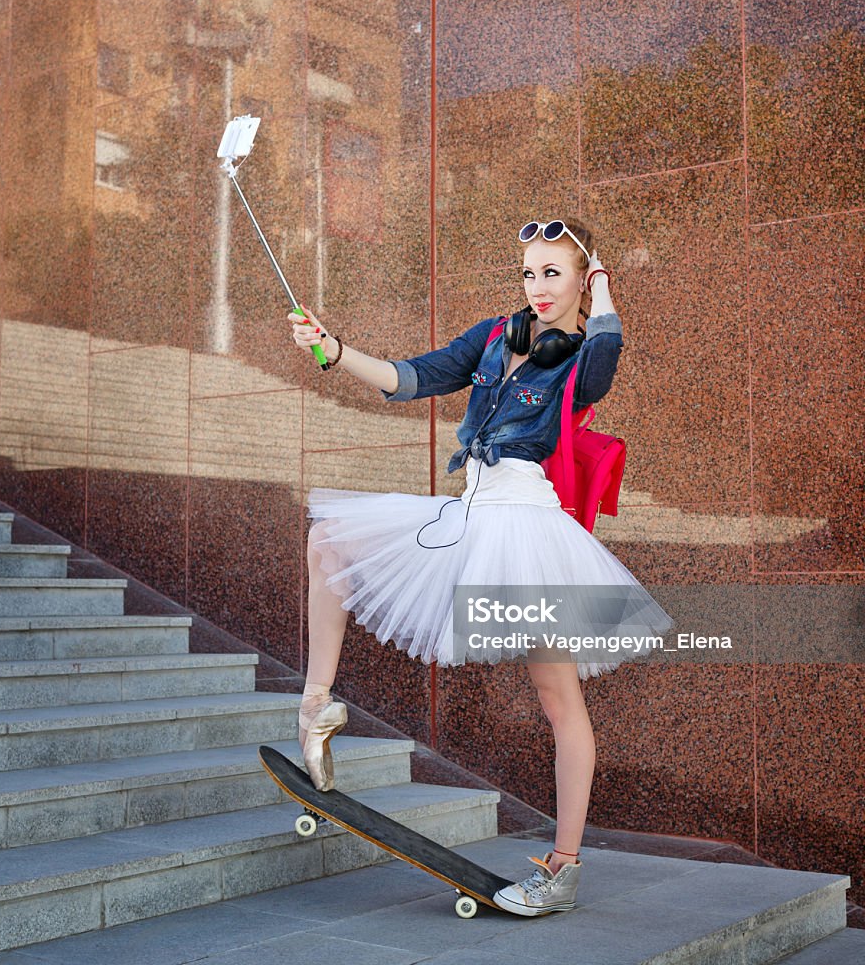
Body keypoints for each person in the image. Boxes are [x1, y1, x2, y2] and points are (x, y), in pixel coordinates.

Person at [287, 216, 675, 916]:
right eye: (529, 273)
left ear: (582, 280)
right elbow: (410, 379)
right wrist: (334, 349)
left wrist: (604, 290)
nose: (537, 287)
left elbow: (607, 361)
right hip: (469, 514)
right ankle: (316, 708)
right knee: (330, 543)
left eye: (553, 273)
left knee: (560, 701)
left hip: (527, 531)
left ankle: (562, 868)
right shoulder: (498, 337)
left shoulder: (582, 352)